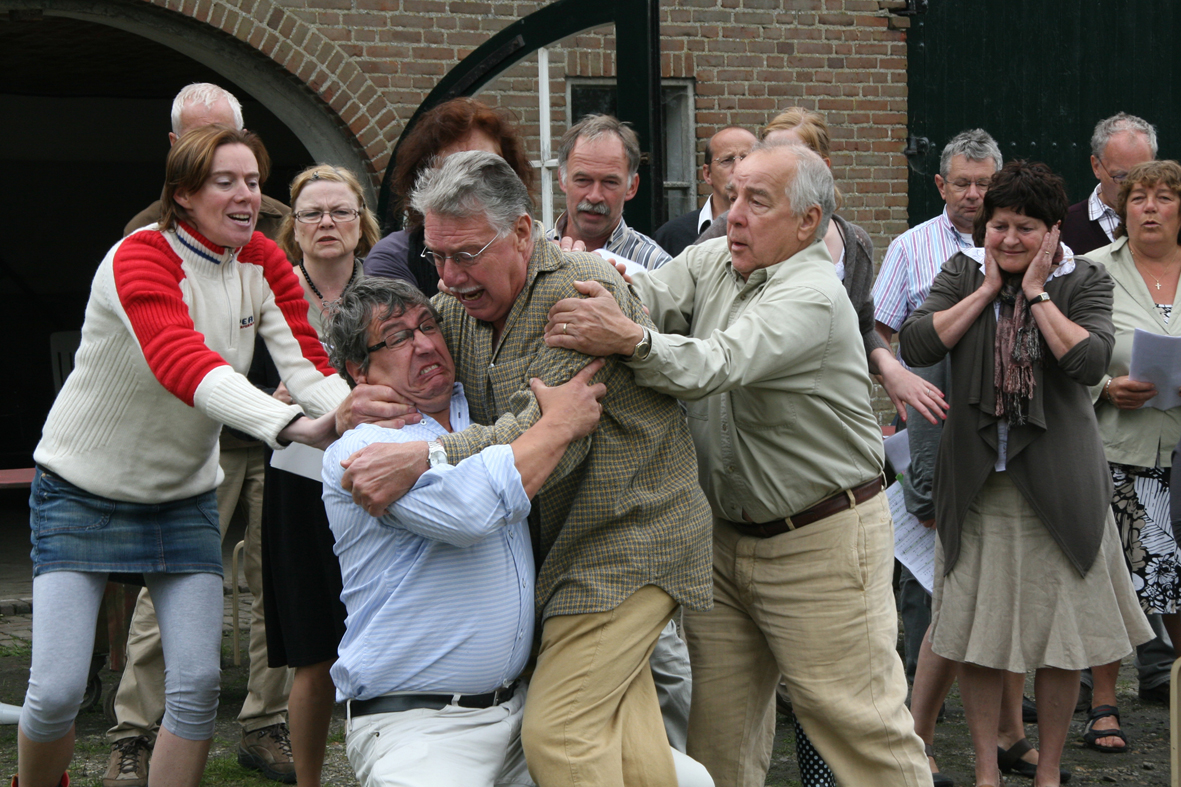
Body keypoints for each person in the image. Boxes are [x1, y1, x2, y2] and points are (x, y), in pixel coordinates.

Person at [543, 138, 930, 787]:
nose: (734, 214)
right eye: (734, 194)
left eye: (758, 200)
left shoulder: (812, 294)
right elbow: (644, 294)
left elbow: (715, 363)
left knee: (861, 729)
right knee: (717, 742)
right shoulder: (715, 258)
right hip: (723, 542)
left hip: (820, 543)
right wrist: (566, 272)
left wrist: (629, 338)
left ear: (808, 222)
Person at [337, 150, 713, 787]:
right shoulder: (458, 305)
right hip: (559, 556)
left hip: (626, 544)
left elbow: (540, 432)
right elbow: (397, 355)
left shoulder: (579, 291)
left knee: (561, 736)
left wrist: (425, 457)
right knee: (632, 745)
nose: (448, 277)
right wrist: (343, 406)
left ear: (519, 232)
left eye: (465, 254)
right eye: (437, 256)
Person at [18, 125, 347, 787]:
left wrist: (359, 420)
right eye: (225, 182)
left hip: (184, 495)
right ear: (183, 195)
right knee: (54, 692)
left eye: (252, 180)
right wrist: (291, 426)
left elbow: (309, 364)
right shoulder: (139, 256)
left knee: (196, 686)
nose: (246, 194)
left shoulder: (263, 260)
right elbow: (181, 362)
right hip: (80, 488)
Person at [899, 159, 1154, 787]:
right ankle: (987, 771)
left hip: (1061, 489)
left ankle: (1050, 773)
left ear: (1052, 232)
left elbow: (1089, 362)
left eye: (1026, 228)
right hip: (979, 488)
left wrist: (1036, 294)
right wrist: (987, 292)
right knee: (980, 638)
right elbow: (918, 343)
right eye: (1000, 226)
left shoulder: (1084, 278)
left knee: (1062, 640)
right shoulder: (961, 272)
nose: (1010, 239)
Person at [107, 81, 295, 787]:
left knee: (276, 584)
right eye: (197, 138)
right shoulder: (146, 233)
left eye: (228, 139)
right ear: (175, 149)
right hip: (197, 440)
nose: (227, 169)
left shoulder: (281, 224)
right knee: (169, 588)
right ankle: (133, 733)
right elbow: (155, 350)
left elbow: (305, 315)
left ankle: (265, 723)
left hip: (281, 437)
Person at [872, 129, 1015, 786]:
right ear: (940, 185)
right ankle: (915, 720)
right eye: (962, 183)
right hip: (929, 433)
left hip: (1002, 446)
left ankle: (1007, 730)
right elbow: (879, 332)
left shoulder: (1018, 245)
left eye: (984, 183)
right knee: (931, 584)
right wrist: (900, 390)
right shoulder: (912, 248)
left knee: (1002, 589)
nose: (973, 194)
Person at [260, 163, 380, 787]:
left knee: (379, 633)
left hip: (372, 479)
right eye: (312, 213)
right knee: (313, 648)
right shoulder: (265, 295)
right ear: (294, 227)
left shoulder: (388, 293)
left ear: (362, 224)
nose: (327, 223)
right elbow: (222, 382)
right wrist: (270, 402)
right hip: (297, 479)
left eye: (340, 212)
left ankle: (383, 768)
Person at [1084, 159, 1181, 753]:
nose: (1150, 207)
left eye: (1164, 196)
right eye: (1139, 197)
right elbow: (1065, 352)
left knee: (1178, 582)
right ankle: (1103, 704)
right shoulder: (1094, 270)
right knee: (1116, 579)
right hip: (1123, 450)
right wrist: (1104, 387)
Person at [364, 97, 535, 297]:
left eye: (486, 167)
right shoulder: (396, 257)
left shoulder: (535, 247)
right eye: (451, 168)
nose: (468, 182)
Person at [124, 83, 290, 239]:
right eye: (198, 139)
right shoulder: (144, 231)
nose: (211, 148)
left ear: (243, 139)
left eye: (224, 137)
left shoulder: (285, 224)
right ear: (175, 143)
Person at [548, 114, 671, 270]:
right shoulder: (531, 255)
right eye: (583, 180)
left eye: (610, 182)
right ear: (562, 179)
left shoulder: (656, 267)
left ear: (632, 187)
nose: (594, 196)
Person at [1062, 113, 1157, 255]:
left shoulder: (1172, 221)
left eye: (1143, 174)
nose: (1134, 185)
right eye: (1121, 176)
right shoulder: (1065, 228)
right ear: (1096, 166)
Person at [654, 126, 756, 257]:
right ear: (707, 174)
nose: (738, 168)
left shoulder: (772, 231)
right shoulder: (671, 236)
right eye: (727, 160)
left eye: (746, 159)